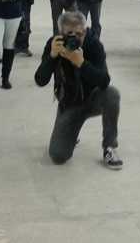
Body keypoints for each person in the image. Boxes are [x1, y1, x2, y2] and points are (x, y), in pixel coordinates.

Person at [34, 11, 123, 170]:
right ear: (60, 33)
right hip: (69, 105)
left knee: (112, 94)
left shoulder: (93, 44)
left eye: (80, 34)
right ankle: (70, 131)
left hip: (92, 99)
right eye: (70, 34)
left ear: (85, 31)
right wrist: (53, 56)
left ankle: (109, 147)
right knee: (58, 156)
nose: (75, 38)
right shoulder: (54, 44)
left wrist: (82, 63)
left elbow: (104, 81)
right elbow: (40, 80)